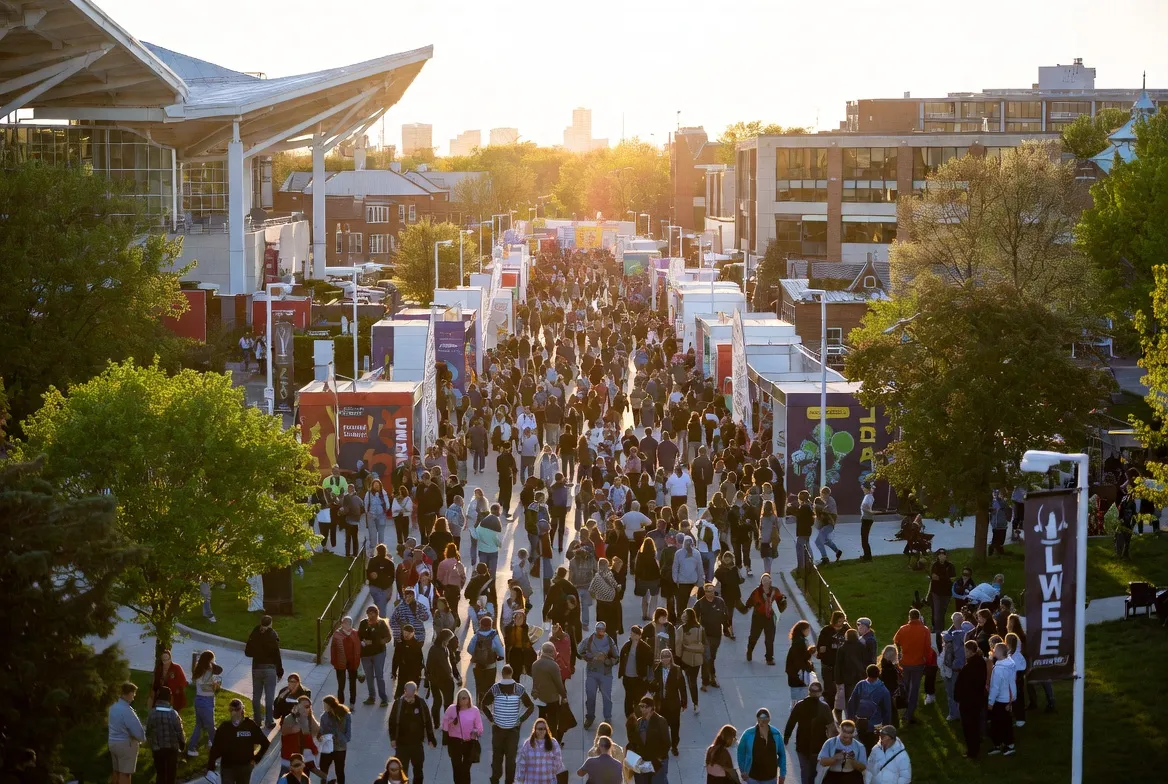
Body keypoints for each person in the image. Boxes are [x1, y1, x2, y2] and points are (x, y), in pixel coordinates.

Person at [482, 665, 537, 784]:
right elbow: (531, 706)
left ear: (502, 674)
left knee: (497, 757)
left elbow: (483, 704)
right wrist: (521, 719)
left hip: (498, 729)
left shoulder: (495, 688)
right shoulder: (519, 689)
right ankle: (509, 781)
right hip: (513, 730)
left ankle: (495, 780)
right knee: (511, 759)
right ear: (511, 674)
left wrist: (491, 718)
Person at [207, 698, 270, 784]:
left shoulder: (250, 725)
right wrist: (211, 767)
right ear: (229, 710)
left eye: (237, 709)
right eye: (232, 710)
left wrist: (256, 758)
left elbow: (265, 743)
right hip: (227, 768)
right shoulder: (224, 727)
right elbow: (215, 748)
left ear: (242, 710)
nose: (234, 712)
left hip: (245, 767)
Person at [784, 682, 834, 784]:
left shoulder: (800, 705)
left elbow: (791, 723)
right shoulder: (824, 708)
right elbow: (831, 727)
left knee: (805, 772)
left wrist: (786, 737)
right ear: (820, 693)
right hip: (815, 746)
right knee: (813, 773)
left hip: (806, 745)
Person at [388, 682, 437, 784]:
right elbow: (392, 722)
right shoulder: (398, 704)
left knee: (418, 770)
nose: (409, 696)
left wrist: (431, 738)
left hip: (417, 744)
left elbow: (427, 721)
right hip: (402, 744)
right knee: (402, 770)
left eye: (412, 693)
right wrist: (393, 738)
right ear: (404, 691)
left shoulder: (421, 703)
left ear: (415, 692)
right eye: (407, 692)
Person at [577, 620, 619, 730]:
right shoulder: (589, 639)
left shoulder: (610, 641)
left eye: (602, 629)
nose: (600, 631)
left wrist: (607, 661)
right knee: (590, 695)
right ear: (595, 629)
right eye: (598, 629)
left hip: (605, 673)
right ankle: (590, 717)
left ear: (605, 630)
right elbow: (579, 650)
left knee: (607, 697)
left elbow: (616, 656)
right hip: (592, 671)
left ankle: (607, 718)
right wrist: (590, 657)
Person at [244, 614, 283, 728]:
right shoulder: (272, 634)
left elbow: (247, 652)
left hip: (256, 668)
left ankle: (257, 720)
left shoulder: (255, 633)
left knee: (256, 696)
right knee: (269, 696)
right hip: (270, 669)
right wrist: (280, 671)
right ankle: (269, 721)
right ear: (270, 623)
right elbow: (277, 655)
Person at [891, 608, 930, 724]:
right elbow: (927, 648)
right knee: (915, 689)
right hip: (918, 664)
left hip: (905, 663)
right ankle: (909, 713)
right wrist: (924, 659)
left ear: (909, 617)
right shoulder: (924, 630)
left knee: (905, 686)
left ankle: (903, 707)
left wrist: (900, 652)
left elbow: (896, 641)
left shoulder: (903, 629)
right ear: (919, 617)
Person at [441, 688, 485, 784]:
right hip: (455, 742)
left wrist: (475, 731)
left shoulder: (474, 710)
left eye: (465, 698)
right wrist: (451, 722)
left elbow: (480, 727)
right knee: (457, 768)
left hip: (469, 742)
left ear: (469, 699)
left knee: (466, 769)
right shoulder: (451, 709)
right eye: (460, 698)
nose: (463, 700)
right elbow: (444, 725)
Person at [649, 648, 687, 755]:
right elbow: (654, 684)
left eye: (667, 657)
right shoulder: (657, 669)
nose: (665, 659)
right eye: (663, 657)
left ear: (671, 658)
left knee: (675, 727)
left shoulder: (677, 670)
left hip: (674, 704)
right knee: (661, 726)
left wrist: (684, 701)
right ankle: (662, 745)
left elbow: (682, 687)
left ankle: (674, 746)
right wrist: (652, 689)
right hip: (661, 704)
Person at [846, 665, 892, 752]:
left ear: (867, 673)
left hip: (860, 723)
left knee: (862, 746)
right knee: (874, 748)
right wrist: (886, 729)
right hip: (876, 725)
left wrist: (850, 720)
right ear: (878, 674)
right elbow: (887, 712)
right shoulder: (884, 691)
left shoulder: (860, 685)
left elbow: (851, 703)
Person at [625, 696, 671, 784]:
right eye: (641, 706)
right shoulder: (638, 722)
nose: (643, 709)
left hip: (657, 764)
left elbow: (667, 744)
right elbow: (635, 743)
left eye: (646, 707)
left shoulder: (661, 721)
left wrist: (658, 759)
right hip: (643, 764)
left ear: (652, 708)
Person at [145, 685, 185, 784]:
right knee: (171, 774)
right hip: (171, 748)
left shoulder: (152, 713)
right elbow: (179, 731)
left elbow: (148, 731)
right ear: (169, 698)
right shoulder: (173, 713)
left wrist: (151, 743)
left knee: (160, 773)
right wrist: (182, 743)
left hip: (157, 748)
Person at [953, 640, 987, 758]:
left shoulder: (969, 666)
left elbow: (964, 685)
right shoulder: (981, 662)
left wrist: (958, 696)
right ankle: (976, 747)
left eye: (967, 651)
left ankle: (972, 751)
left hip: (968, 702)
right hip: (978, 699)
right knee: (975, 725)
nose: (965, 653)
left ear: (972, 651)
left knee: (969, 727)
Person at [187, 650, 223, 757]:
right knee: (210, 726)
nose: (214, 661)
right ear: (209, 660)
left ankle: (191, 747)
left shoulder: (199, 669)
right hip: (205, 701)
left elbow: (220, 670)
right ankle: (217, 748)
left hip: (199, 700)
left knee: (199, 725)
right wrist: (214, 686)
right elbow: (204, 687)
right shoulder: (206, 671)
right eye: (212, 659)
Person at [737, 707, 787, 784]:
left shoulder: (776, 734)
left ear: (769, 719)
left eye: (765, 719)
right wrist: (743, 770)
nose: (762, 721)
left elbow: (782, 755)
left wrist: (782, 774)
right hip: (752, 777)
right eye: (760, 718)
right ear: (757, 719)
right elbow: (740, 753)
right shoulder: (748, 734)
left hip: (770, 777)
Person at [745, 573, 786, 665]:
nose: (766, 581)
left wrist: (780, 608)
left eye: (767, 579)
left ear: (770, 581)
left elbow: (782, 600)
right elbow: (749, 602)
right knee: (754, 636)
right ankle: (749, 651)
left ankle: (769, 658)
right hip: (758, 617)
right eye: (764, 580)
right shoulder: (756, 592)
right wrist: (747, 607)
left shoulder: (775, 591)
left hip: (770, 617)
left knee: (770, 639)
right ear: (761, 581)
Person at [531, 642, 568, 740]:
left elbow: (535, 681)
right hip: (552, 699)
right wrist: (564, 696)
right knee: (552, 723)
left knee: (541, 720)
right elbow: (559, 684)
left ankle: (540, 739)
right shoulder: (553, 665)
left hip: (539, 698)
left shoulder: (535, 664)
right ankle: (552, 742)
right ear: (552, 652)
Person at [986, 642, 1017, 756]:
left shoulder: (998, 669)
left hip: (1001, 700)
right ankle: (1006, 744)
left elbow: (995, 687)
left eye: (994, 649)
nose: (993, 650)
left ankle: (1001, 744)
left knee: (997, 724)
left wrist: (990, 702)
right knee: (1006, 723)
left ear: (999, 652)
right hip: (1009, 698)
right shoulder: (1011, 663)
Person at [618, 625, 654, 720]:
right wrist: (621, 673)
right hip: (628, 677)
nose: (632, 636)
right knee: (629, 697)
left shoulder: (645, 648)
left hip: (639, 678)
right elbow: (622, 658)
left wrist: (648, 677)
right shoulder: (627, 646)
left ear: (639, 635)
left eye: (634, 634)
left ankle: (638, 717)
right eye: (631, 634)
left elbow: (650, 663)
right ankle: (629, 716)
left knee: (638, 698)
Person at [469, 615, 507, 704]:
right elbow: (501, 652)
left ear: (480, 625)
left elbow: (469, 649)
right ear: (491, 625)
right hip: (490, 665)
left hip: (478, 666)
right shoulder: (494, 636)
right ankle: (488, 704)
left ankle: (480, 703)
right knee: (489, 685)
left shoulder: (476, 636)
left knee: (479, 685)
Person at [359, 605, 391, 707]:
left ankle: (383, 698)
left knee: (379, 676)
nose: (371, 615)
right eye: (369, 613)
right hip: (365, 655)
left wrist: (373, 642)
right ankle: (371, 697)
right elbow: (359, 636)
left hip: (379, 653)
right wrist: (362, 641)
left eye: (373, 613)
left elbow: (388, 638)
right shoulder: (363, 623)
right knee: (369, 677)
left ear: (377, 614)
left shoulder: (381, 624)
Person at [514, 717, 563, 784]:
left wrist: (550, 770)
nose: (542, 731)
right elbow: (522, 763)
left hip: (548, 780)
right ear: (535, 730)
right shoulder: (527, 744)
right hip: (531, 780)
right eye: (540, 729)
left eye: (544, 729)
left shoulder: (553, 742)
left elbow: (558, 761)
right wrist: (520, 779)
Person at [278, 695, 318, 777]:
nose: (306, 709)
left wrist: (310, 715)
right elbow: (284, 732)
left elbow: (316, 731)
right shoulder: (289, 718)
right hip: (288, 760)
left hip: (303, 760)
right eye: (304, 706)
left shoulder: (309, 718)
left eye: (308, 707)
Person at [817, 611, 849, 709]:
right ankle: (829, 709)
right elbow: (820, 645)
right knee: (829, 690)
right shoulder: (826, 631)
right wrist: (821, 649)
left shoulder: (846, 630)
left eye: (843, 621)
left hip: (842, 665)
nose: (841, 623)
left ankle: (839, 708)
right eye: (839, 621)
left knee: (841, 689)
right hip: (828, 664)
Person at [817, 719, 866, 783]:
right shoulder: (830, 743)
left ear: (854, 733)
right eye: (844, 731)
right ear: (840, 729)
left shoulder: (860, 746)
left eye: (850, 732)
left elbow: (863, 767)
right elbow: (822, 762)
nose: (847, 735)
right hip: (833, 776)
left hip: (852, 777)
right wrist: (834, 758)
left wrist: (852, 762)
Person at [318, 696, 352, 784]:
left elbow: (348, 735)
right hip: (327, 747)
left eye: (325, 705)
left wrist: (338, 737)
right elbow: (321, 731)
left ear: (330, 705)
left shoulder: (345, 715)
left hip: (340, 748)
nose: (324, 707)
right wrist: (321, 737)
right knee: (323, 770)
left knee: (340, 771)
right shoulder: (324, 717)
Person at [926, 549, 956, 649]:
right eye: (940, 554)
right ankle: (937, 632)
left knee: (942, 612)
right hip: (936, 592)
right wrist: (945, 578)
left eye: (943, 554)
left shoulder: (950, 566)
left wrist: (941, 578)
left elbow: (952, 578)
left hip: (946, 593)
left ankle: (941, 632)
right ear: (938, 556)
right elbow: (933, 577)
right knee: (937, 612)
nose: (942, 556)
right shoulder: (935, 565)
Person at [329, 616, 362, 705]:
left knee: (353, 684)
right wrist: (334, 662)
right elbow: (333, 649)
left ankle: (352, 703)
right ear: (342, 624)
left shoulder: (355, 633)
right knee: (341, 685)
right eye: (345, 623)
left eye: (349, 624)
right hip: (340, 663)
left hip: (353, 662)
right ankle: (341, 704)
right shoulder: (337, 634)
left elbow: (359, 647)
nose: (348, 625)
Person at [834, 629, 869, 707]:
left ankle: (850, 716)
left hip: (847, 678)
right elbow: (866, 662)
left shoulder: (842, 649)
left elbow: (838, 665)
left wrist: (838, 680)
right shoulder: (862, 647)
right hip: (860, 676)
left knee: (849, 699)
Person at [391, 623, 426, 699]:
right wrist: (394, 671)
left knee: (411, 695)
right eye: (405, 633)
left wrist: (418, 676)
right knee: (399, 694)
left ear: (413, 634)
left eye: (408, 634)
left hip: (413, 674)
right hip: (402, 672)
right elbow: (395, 659)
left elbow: (420, 660)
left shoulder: (417, 645)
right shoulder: (399, 644)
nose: (406, 635)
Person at [367, 544, 396, 617]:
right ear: (386, 551)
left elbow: (368, 574)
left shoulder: (372, 561)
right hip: (382, 588)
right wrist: (389, 589)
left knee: (378, 604)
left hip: (374, 587)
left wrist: (371, 576)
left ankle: (375, 619)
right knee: (382, 607)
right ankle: (381, 622)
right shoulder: (389, 563)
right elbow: (392, 578)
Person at [859, 484, 875, 562]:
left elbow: (864, 507)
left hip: (867, 519)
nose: (863, 489)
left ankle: (867, 557)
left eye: (863, 488)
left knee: (864, 539)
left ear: (866, 489)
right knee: (864, 538)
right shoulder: (870, 496)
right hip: (867, 518)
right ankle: (867, 556)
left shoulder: (868, 496)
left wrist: (866, 511)